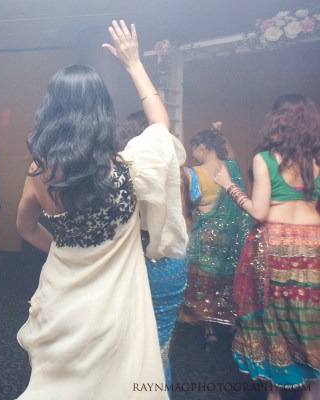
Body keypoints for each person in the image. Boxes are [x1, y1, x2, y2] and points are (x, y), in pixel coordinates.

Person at [15, 20, 188, 399]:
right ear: (102, 111)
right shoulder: (129, 169)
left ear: (51, 110)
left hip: (62, 297)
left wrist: (64, 249)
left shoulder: (39, 172)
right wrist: (133, 63)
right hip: (115, 306)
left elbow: (25, 228)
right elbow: (161, 125)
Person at [214, 94, 320, 400]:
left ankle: (274, 392)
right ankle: (310, 392)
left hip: (274, 246)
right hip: (314, 245)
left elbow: (259, 212)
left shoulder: (264, 159)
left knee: (272, 317)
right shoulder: (316, 160)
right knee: (309, 317)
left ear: (276, 120)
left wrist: (230, 186)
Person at [121, 110, 201, 387]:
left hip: (138, 259)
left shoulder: (129, 175)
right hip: (174, 261)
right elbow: (191, 209)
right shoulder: (188, 175)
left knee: (131, 343)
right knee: (161, 344)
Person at [179, 129, 251, 350]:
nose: (193, 155)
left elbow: (186, 205)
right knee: (227, 280)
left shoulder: (193, 173)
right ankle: (231, 321)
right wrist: (219, 132)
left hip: (205, 237)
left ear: (202, 147)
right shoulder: (232, 168)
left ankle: (209, 329)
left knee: (205, 284)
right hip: (230, 236)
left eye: (193, 149)